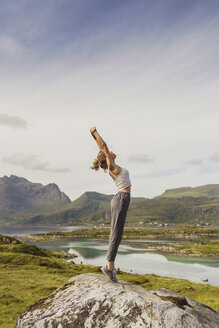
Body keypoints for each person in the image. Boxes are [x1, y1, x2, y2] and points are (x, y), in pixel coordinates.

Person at [90, 126, 131, 283]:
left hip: (123, 199)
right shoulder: (112, 167)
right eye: (109, 152)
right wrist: (94, 133)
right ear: (107, 157)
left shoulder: (114, 166)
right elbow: (104, 147)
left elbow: (104, 148)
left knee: (118, 233)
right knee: (116, 233)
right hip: (121, 198)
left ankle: (110, 267)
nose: (112, 151)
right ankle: (109, 268)